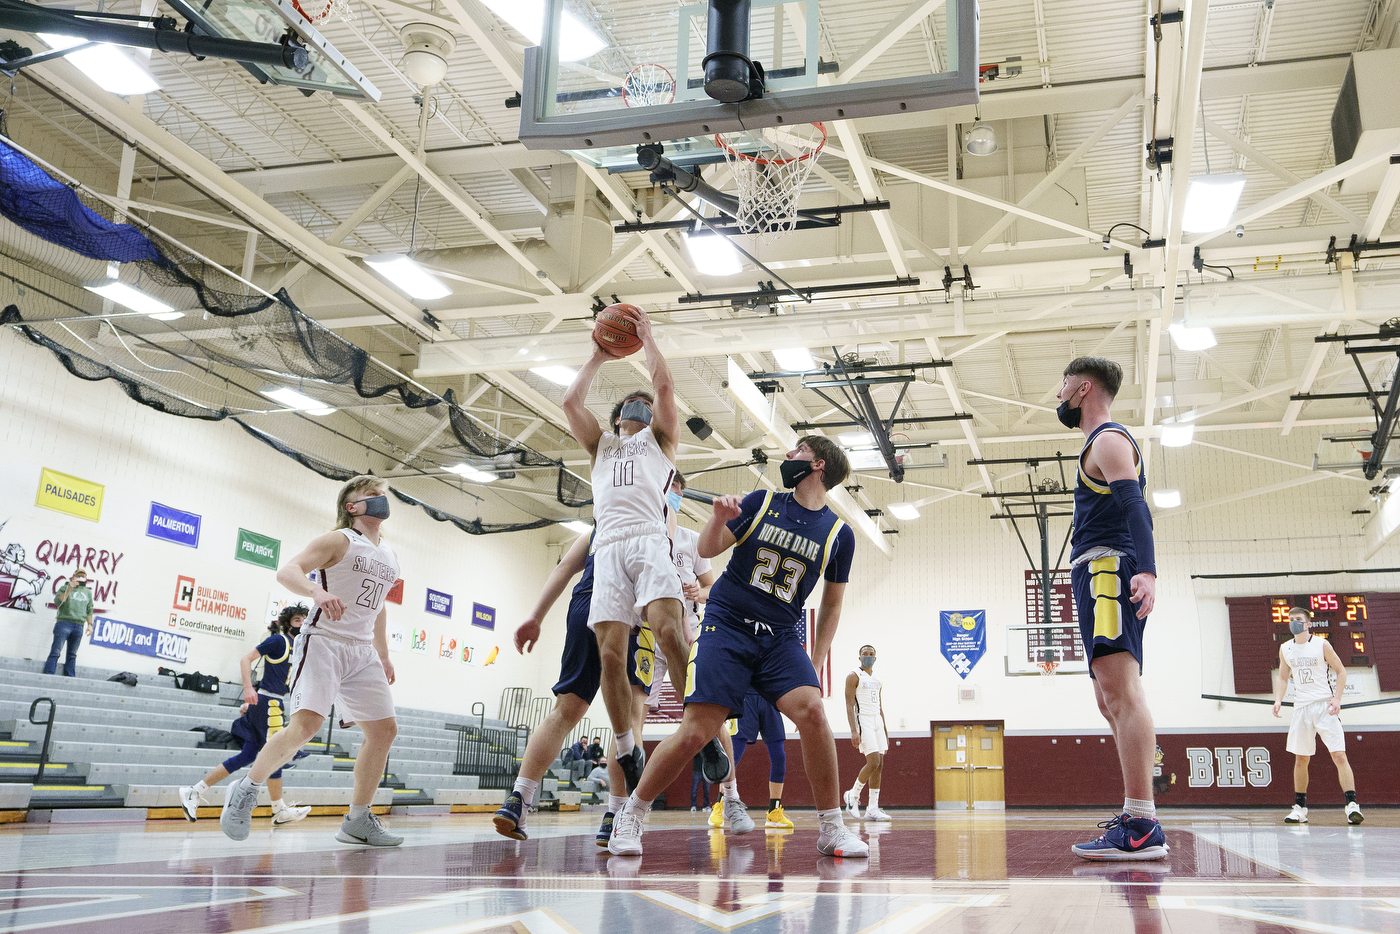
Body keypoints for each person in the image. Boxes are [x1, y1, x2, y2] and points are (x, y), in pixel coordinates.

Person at [608, 436, 868, 860]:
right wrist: (719, 519)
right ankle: (633, 812)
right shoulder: (763, 502)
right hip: (727, 625)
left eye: (797, 450)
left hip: (781, 636)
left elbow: (833, 605)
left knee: (814, 712)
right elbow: (707, 549)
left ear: (818, 465)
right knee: (697, 731)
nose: (788, 456)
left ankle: (832, 828)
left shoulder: (839, 534)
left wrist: (816, 660)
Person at [219, 475, 402, 847]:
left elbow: (378, 606)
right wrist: (316, 591)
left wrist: (383, 654)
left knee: (384, 731)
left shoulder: (390, 555)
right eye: (371, 495)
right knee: (305, 728)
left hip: (362, 649)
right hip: (324, 642)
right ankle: (246, 790)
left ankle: (358, 819)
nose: (380, 499)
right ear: (352, 506)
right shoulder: (338, 539)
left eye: (382, 494)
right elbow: (287, 570)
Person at [562, 306, 688, 792]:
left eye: (645, 402)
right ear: (618, 417)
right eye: (630, 402)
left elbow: (664, 388)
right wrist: (597, 356)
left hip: (649, 539)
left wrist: (647, 339)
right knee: (610, 654)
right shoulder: (601, 447)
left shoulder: (661, 440)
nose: (641, 404)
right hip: (608, 546)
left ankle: (700, 731)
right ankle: (623, 745)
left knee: (669, 633)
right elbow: (570, 403)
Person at [1056, 357, 1168, 861]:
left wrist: (1146, 570)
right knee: (1109, 698)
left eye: (1062, 386)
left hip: (1109, 569)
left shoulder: (1108, 439)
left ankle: (1141, 823)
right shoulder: (1095, 443)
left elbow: (1135, 506)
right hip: (1096, 569)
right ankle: (1136, 815)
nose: (1056, 395)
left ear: (1082, 389)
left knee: (1121, 692)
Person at [494, 529, 649, 845]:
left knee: (565, 710)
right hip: (628, 612)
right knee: (632, 713)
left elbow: (563, 568)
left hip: (585, 604)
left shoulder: (599, 523)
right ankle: (615, 816)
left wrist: (535, 617)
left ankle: (518, 798)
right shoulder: (653, 518)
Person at [179, 605, 313, 826]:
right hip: (268, 702)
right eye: (298, 620)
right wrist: (249, 689)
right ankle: (278, 809)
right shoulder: (279, 641)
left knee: (248, 756)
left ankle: (194, 791)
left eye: (305, 620)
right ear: (289, 623)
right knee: (275, 755)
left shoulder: (301, 647)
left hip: (267, 702)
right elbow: (245, 659)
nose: (302, 624)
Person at [1274, 607, 1363, 825]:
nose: (1293, 622)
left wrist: (1337, 698)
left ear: (1308, 624)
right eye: (1291, 619)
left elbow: (1341, 671)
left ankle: (1352, 805)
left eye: (1298, 619)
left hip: (1324, 706)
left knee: (1339, 755)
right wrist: (1278, 700)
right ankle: (1300, 808)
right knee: (1301, 759)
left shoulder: (1321, 644)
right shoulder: (1285, 648)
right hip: (1301, 708)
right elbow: (1283, 678)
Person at [726, 688, 795, 830]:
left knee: (779, 756)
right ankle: (721, 805)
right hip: (744, 697)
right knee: (734, 754)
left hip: (769, 697)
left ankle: (774, 812)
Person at [844, 645, 891, 821]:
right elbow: (849, 705)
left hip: (877, 720)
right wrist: (853, 731)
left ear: (875, 658)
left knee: (879, 765)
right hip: (863, 720)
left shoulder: (878, 679)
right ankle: (853, 795)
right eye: (865, 654)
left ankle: (872, 808)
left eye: (871, 654)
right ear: (859, 657)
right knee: (873, 762)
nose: (868, 657)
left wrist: (885, 731)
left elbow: (880, 707)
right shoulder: (853, 676)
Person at [43, 570, 93, 677]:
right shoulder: (64, 587)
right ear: (73, 577)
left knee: (72, 654)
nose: (81, 578)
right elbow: (58, 601)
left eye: (83, 576)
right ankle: (48, 674)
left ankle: (69, 676)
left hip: (79, 625)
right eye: (78, 576)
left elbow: (89, 609)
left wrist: (90, 624)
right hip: (64, 622)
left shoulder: (88, 592)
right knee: (56, 651)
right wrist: (70, 588)